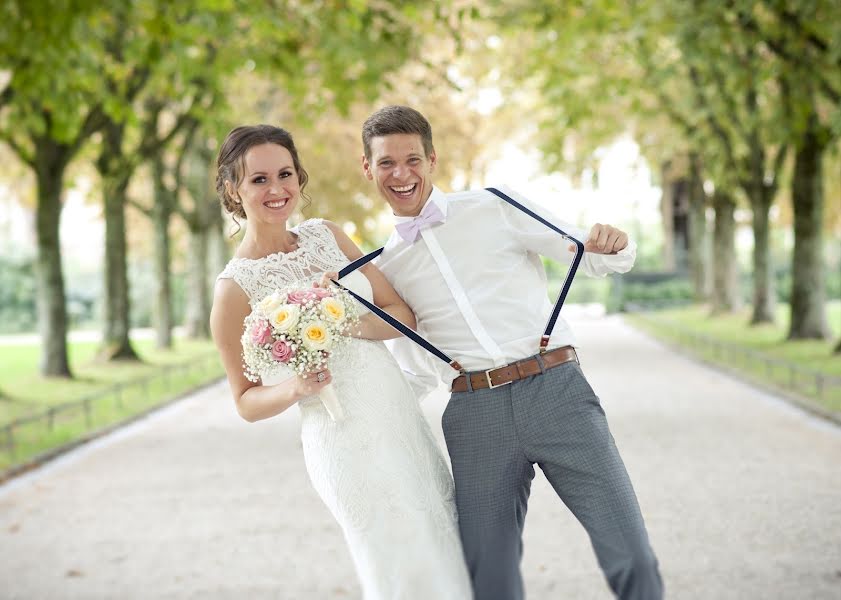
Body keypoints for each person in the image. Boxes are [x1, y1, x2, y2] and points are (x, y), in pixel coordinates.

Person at [360, 105, 663, 600]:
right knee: (489, 575)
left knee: (629, 550)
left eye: (412, 159)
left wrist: (614, 244)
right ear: (367, 167)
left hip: (557, 390)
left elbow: (586, 254)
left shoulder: (493, 205)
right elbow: (413, 370)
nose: (401, 174)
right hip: (475, 414)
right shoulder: (385, 269)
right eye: (387, 162)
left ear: (432, 160)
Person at [210, 124, 471, 599]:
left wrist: (341, 318)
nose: (277, 189)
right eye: (259, 180)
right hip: (340, 435)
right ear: (233, 189)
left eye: (285, 174)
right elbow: (245, 401)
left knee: (442, 536)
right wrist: (295, 388)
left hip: (395, 416)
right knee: (392, 559)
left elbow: (401, 316)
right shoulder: (234, 289)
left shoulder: (327, 236)